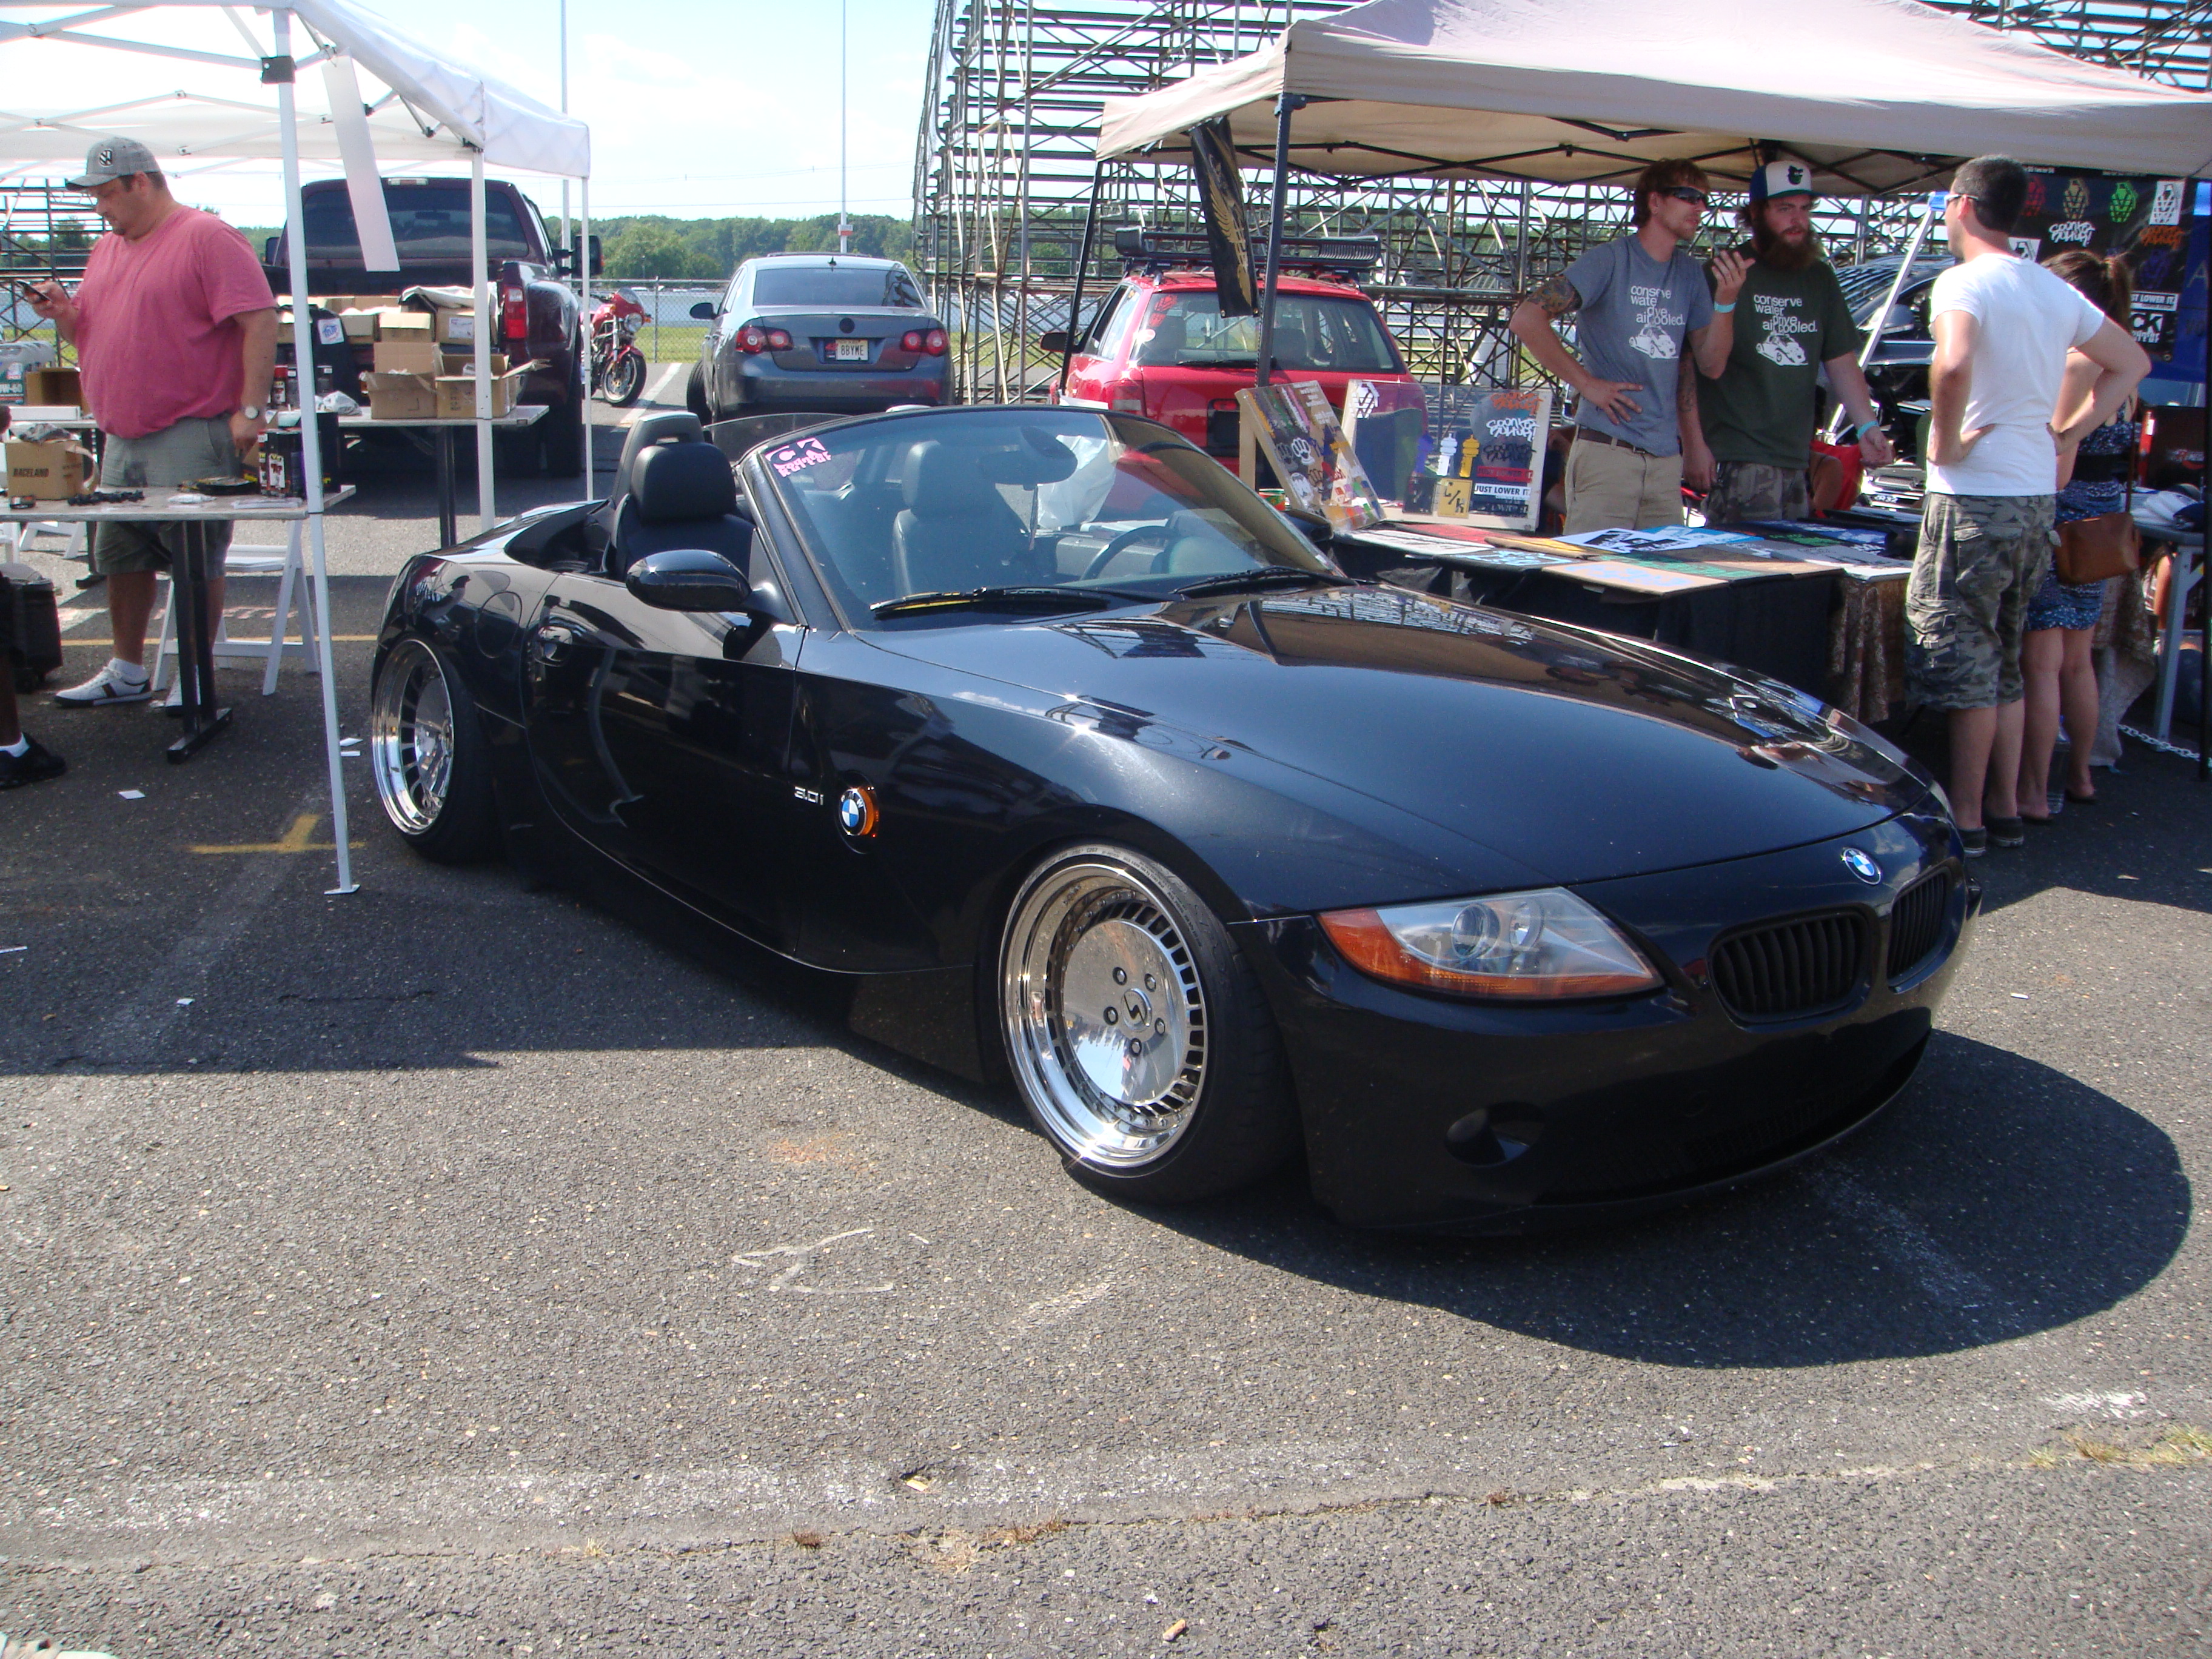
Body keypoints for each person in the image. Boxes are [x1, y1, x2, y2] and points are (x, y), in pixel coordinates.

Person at [1906, 156, 2148, 856]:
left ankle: (1970, 819)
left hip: (1975, 498)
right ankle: (2004, 809)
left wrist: (1945, 442)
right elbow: (2133, 363)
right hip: (2034, 497)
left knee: (1969, 663)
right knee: (2007, 659)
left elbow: (1953, 363)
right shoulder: (2050, 288)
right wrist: (2070, 432)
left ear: (1961, 204)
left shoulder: (1964, 281)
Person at [28, 137, 276, 709]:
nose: (100, 208)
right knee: (122, 556)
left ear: (141, 182)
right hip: (121, 434)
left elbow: (260, 321)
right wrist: (63, 314)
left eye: (106, 195)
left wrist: (250, 409)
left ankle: (195, 674)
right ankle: (127, 670)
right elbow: (88, 333)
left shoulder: (206, 236)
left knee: (193, 558)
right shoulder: (106, 249)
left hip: (188, 429)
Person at [1510, 159, 1748, 533]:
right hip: (1608, 450)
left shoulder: (1689, 272)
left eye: (1704, 199)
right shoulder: (1610, 260)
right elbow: (1527, 319)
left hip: (1665, 458)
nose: (1700, 207)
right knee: (1593, 565)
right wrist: (1587, 384)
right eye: (1689, 196)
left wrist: (1726, 303)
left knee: (1660, 569)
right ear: (1654, 202)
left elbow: (1710, 364)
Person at [1686, 155, 1895, 523]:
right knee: (1744, 557)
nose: (1798, 220)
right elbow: (1696, 367)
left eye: (1804, 208)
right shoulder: (1723, 271)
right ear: (1756, 213)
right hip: (1738, 454)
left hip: (1798, 457)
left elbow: (1841, 360)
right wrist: (1694, 444)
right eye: (1785, 209)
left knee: (1788, 555)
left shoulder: (1819, 277)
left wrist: (1866, 426)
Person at [2018, 250, 2138, 822]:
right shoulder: (2122, 363)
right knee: (2077, 662)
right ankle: (2082, 775)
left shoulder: (2077, 364)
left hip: (2062, 525)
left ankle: (2033, 789)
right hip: (2100, 527)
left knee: (2043, 665)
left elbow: (2059, 467)